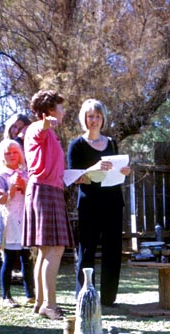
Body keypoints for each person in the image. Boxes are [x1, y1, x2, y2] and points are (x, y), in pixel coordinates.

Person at [67, 99, 130, 307]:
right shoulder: (76, 145)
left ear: (103, 118)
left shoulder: (111, 143)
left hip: (113, 202)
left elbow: (116, 170)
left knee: (113, 251)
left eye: (97, 116)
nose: (94, 120)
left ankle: (109, 299)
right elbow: (73, 177)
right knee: (87, 250)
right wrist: (95, 166)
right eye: (90, 116)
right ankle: (85, 297)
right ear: (84, 118)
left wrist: (124, 171)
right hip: (89, 204)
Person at [23, 90, 74, 320]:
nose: (63, 112)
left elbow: (54, 167)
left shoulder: (52, 135)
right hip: (44, 192)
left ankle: (41, 303)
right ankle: (50, 306)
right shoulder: (37, 128)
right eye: (60, 107)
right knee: (54, 249)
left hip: (49, 190)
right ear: (50, 110)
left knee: (46, 251)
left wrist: (76, 176)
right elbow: (40, 132)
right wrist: (45, 124)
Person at [0, 139, 35, 308]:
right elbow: (1, 199)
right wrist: (13, 189)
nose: (12, 156)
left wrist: (24, 184)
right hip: (9, 221)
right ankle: (6, 296)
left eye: (15, 152)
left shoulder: (27, 174)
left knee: (27, 259)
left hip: (25, 220)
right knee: (9, 259)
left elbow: (33, 197)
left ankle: (30, 294)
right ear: (2, 156)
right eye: (8, 153)